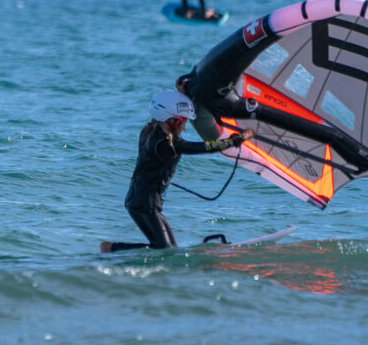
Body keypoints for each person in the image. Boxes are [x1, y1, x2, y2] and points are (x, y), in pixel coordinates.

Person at [100, 90, 253, 252]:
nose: (184, 127)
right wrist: (236, 140)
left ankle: (113, 250)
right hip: (145, 204)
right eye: (182, 121)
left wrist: (186, 94)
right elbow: (205, 147)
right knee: (164, 248)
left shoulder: (149, 130)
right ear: (170, 120)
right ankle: (111, 249)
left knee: (169, 248)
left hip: (142, 201)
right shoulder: (166, 144)